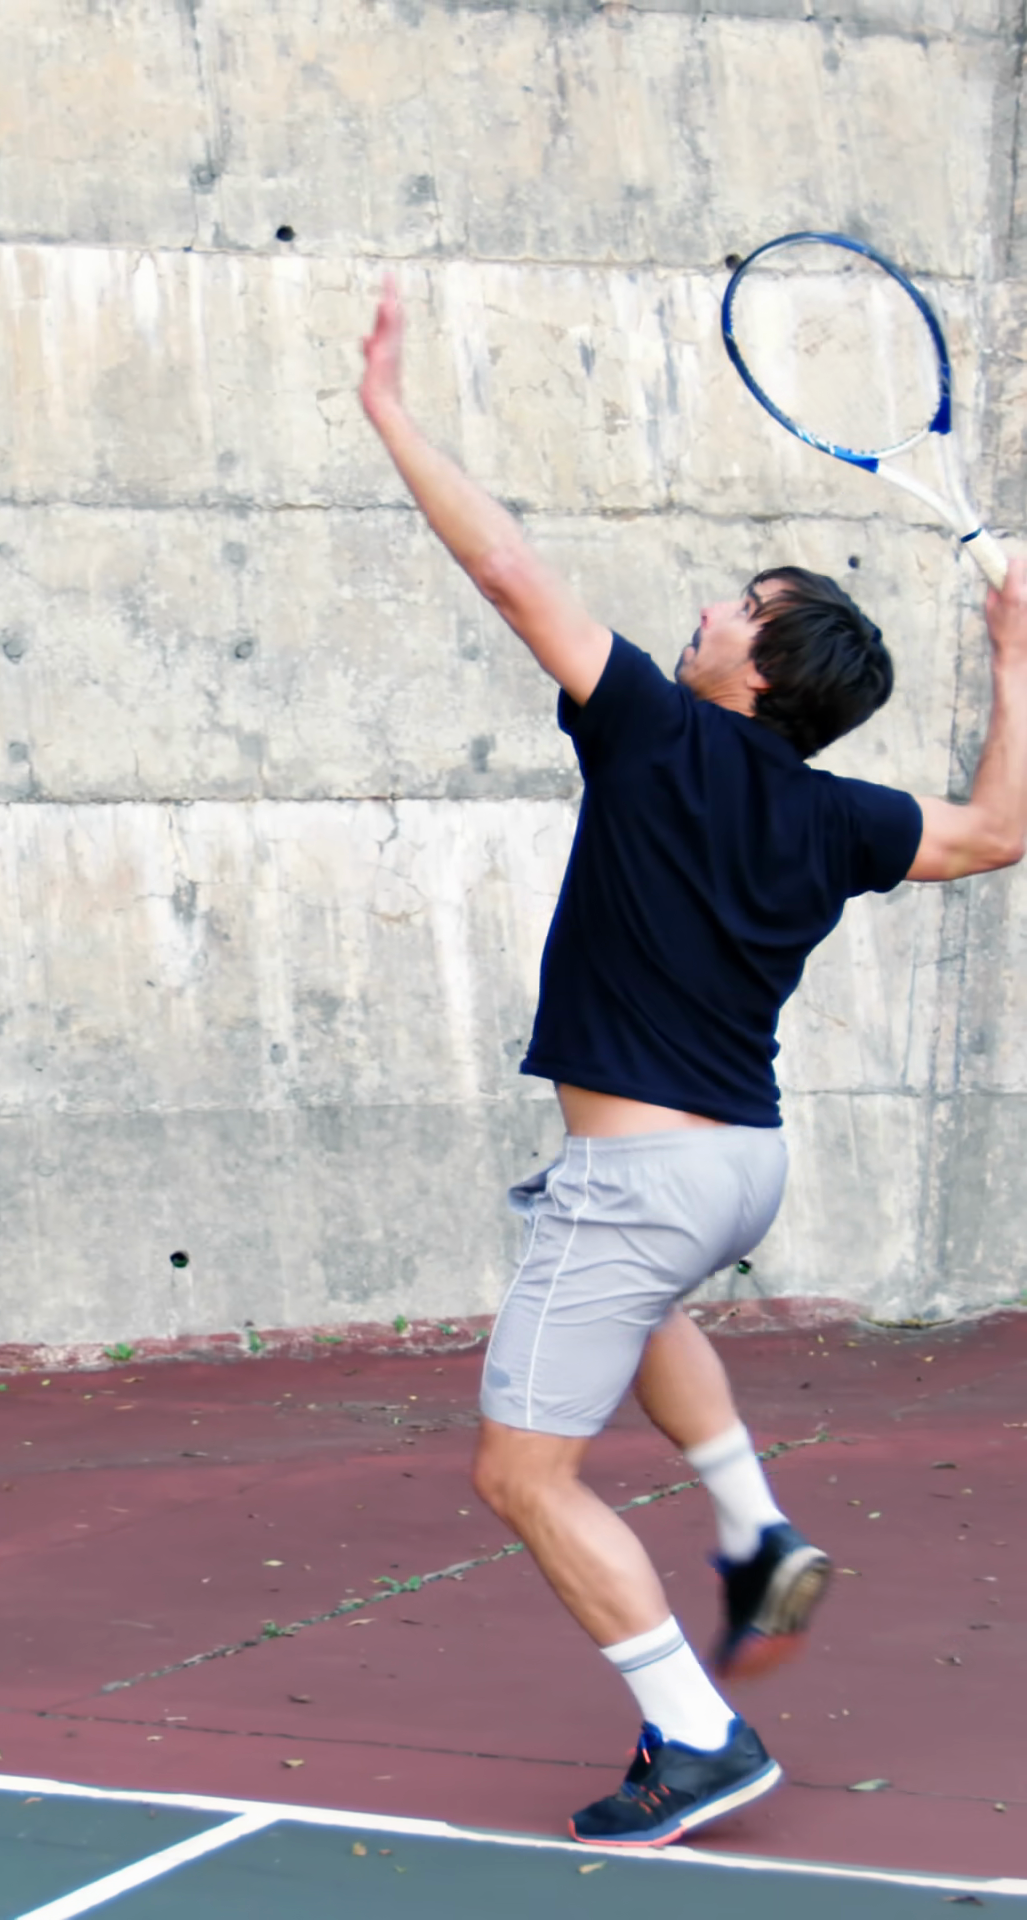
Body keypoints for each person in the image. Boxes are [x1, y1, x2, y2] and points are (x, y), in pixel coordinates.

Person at [358, 275, 1027, 1848]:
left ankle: (699, 1736)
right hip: (737, 1167)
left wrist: (390, 411)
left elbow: (506, 566)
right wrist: (1017, 650)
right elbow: (1002, 830)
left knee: (522, 1477)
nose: (713, 609)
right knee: (634, 1299)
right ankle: (754, 1527)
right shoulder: (844, 816)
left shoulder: (656, 731)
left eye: (740, 602)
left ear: (760, 666)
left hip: (646, 1172)